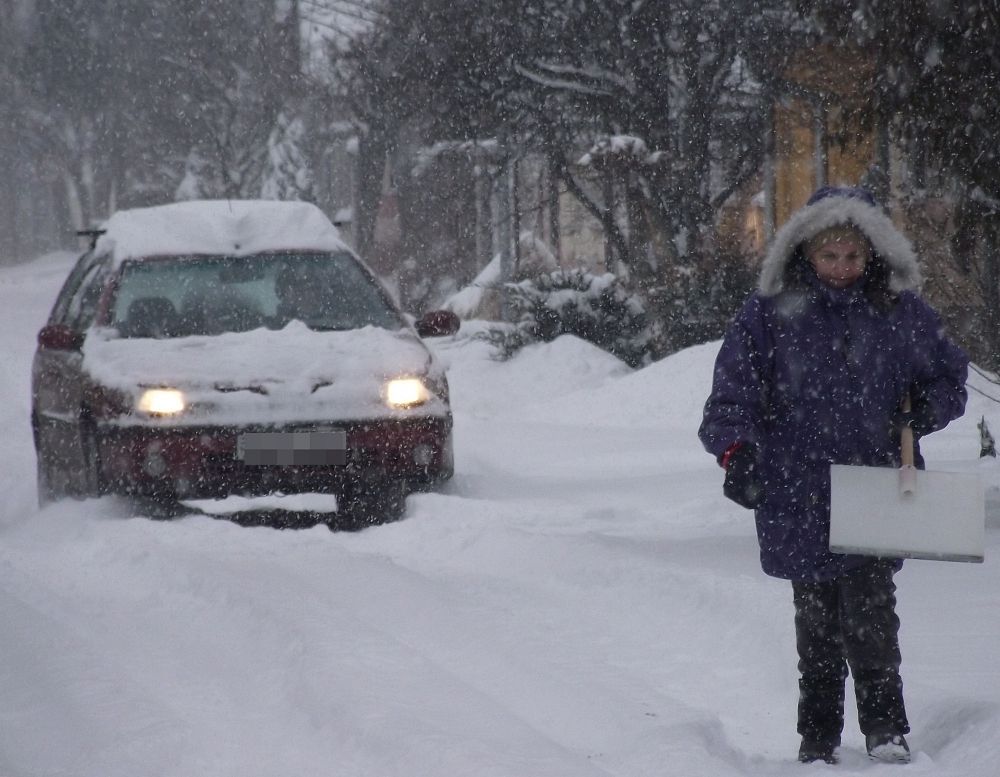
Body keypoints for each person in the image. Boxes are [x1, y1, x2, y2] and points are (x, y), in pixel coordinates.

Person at [698, 186, 968, 765]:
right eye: (829, 257)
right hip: (795, 486)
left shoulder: (901, 311)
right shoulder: (768, 314)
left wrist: (924, 411)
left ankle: (886, 728)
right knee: (815, 619)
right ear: (805, 253)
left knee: (871, 612)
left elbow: (950, 378)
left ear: (873, 251)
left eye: (853, 256)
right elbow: (731, 394)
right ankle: (817, 734)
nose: (842, 269)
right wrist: (736, 452)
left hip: (874, 484)